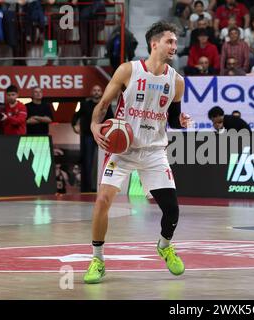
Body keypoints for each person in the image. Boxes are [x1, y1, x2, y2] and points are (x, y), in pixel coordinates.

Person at [83, 21, 192, 284]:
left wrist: (182, 122)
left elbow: (174, 118)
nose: (174, 46)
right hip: (123, 149)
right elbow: (103, 104)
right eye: (169, 41)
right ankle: (97, 259)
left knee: (172, 211)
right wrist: (95, 125)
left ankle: (165, 246)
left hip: (154, 150)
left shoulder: (176, 81)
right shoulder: (128, 70)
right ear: (154, 44)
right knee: (102, 202)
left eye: (176, 42)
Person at [72, 85, 114, 193]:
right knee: (87, 162)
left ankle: (102, 186)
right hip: (88, 136)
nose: (96, 92)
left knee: (104, 162)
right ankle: (86, 188)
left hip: (103, 137)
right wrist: (74, 126)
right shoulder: (85, 104)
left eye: (98, 90)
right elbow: (75, 116)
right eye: (94, 90)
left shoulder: (106, 105)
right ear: (91, 92)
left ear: (101, 92)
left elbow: (111, 119)